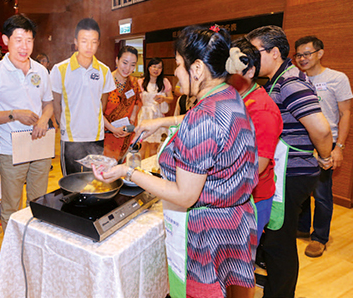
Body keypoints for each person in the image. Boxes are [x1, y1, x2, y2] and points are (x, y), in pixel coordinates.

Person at [93, 26, 258, 298]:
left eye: (179, 65)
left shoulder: (202, 118)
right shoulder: (229, 95)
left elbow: (184, 195)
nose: (176, 73)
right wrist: (162, 120)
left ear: (197, 69)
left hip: (209, 231)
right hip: (236, 220)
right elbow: (202, 120)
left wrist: (128, 171)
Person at [246, 26, 333, 297]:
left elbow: (320, 129)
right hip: (281, 172)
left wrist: (326, 156)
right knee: (273, 240)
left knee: (278, 243)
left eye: (253, 52)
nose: (248, 58)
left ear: (274, 53)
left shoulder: (290, 82)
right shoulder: (274, 81)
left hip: (292, 174)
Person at [0, 14, 53, 233]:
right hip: (12, 148)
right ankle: (13, 255)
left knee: (39, 202)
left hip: (40, 145)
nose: (24, 46)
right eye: (18, 40)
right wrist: (14, 115)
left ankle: (34, 245)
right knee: (12, 206)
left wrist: (44, 119)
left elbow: (49, 104)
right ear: (5, 40)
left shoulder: (40, 71)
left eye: (29, 40)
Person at [294, 36, 353, 257]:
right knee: (300, 189)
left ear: (320, 53)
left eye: (306, 54)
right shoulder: (296, 79)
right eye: (298, 54)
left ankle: (319, 237)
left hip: (325, 144)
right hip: (300, 144)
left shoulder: (337, 78)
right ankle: (301, 227)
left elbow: (346, 114)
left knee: (321, 193)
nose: (302, 58)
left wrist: (339, 147)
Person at [227, 38, 283, 246]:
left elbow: (257, 166)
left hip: (253, 200)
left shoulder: (262, 109)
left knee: (239, 261)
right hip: (233, 196)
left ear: (249, 71)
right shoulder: (233, 98)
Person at [51, 18, 116, 175]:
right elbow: (56, 104)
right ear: (76, 42)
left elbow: (103, 103)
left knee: (94, 181)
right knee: (71, 184)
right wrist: (63, 126)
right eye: (84, 41)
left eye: (94, 42)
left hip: (96, 136)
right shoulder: (60, 69)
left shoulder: (104, 70)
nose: (89, 46)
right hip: (71, 138)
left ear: (98, 43)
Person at [103, 46, 141, 161]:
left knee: (124, 171)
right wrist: (113, 129)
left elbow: (136, 104)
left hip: (126, 135)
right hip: (106, 136)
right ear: (117, 60)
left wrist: (130, 125)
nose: (128, 68)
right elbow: (96, 111)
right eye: (125, 62)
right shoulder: (105, 81)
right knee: (107, 171)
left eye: (133, 65)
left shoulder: (134, 83)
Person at [137, 57, 173, 158]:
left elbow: (171, 98)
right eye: (154, 67)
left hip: (158, 115)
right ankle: (139, 169)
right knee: (142, 144)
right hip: (144, 115)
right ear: (149, 68)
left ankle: (150, 171)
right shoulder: (141, 82)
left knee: (155, 146)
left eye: (159, 67)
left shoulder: (164, 82)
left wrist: (164, 99)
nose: (156, 69)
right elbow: (136, 100)